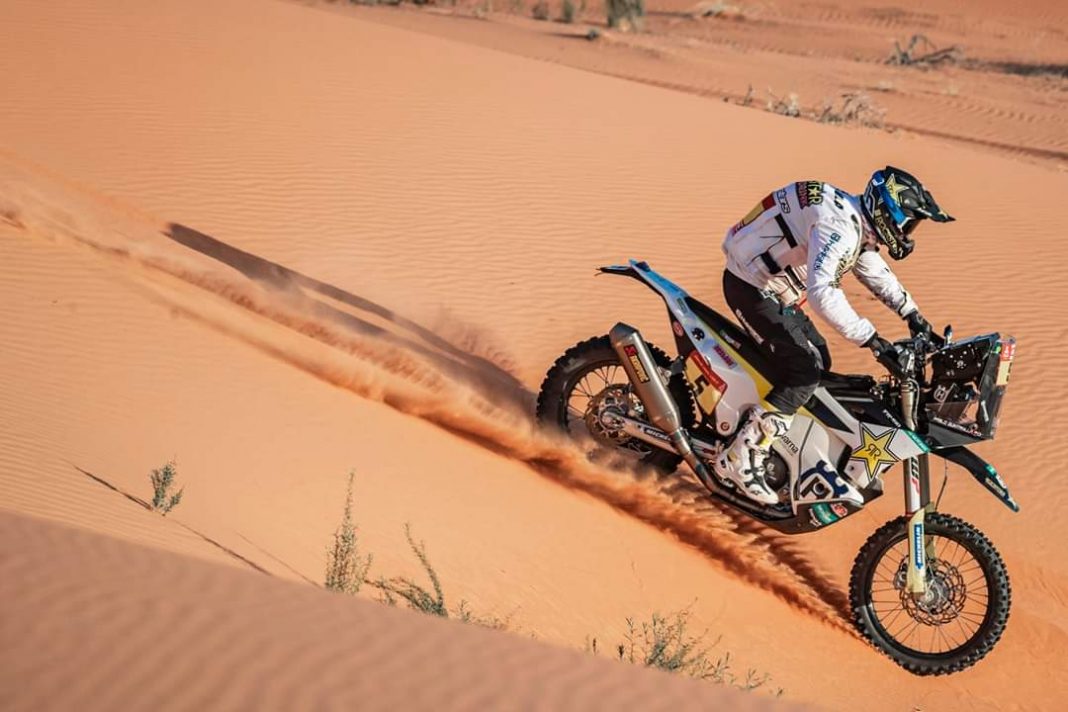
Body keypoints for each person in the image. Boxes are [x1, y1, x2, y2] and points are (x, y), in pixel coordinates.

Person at [712, 166, 954, 505]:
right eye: (908, 223)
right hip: (749, 286)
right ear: (886, 211)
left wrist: (913, 316)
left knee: (818, 358)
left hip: (770, 288)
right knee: (803, 373)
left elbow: (870, 268)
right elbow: (822, 293)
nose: (908, 232)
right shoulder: (839, 227)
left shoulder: (852, 218)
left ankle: (778, 441)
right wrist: (874, 342)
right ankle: (741, 455)